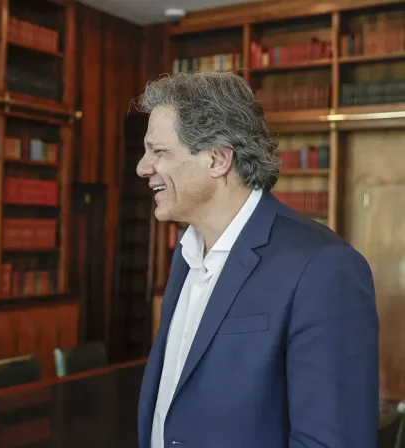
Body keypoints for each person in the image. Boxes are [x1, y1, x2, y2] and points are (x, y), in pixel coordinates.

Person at [134, 71, 379, 448]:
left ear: (217, 159)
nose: (143, 167)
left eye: (159, 151)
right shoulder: (185, 254)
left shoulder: (324, 267)